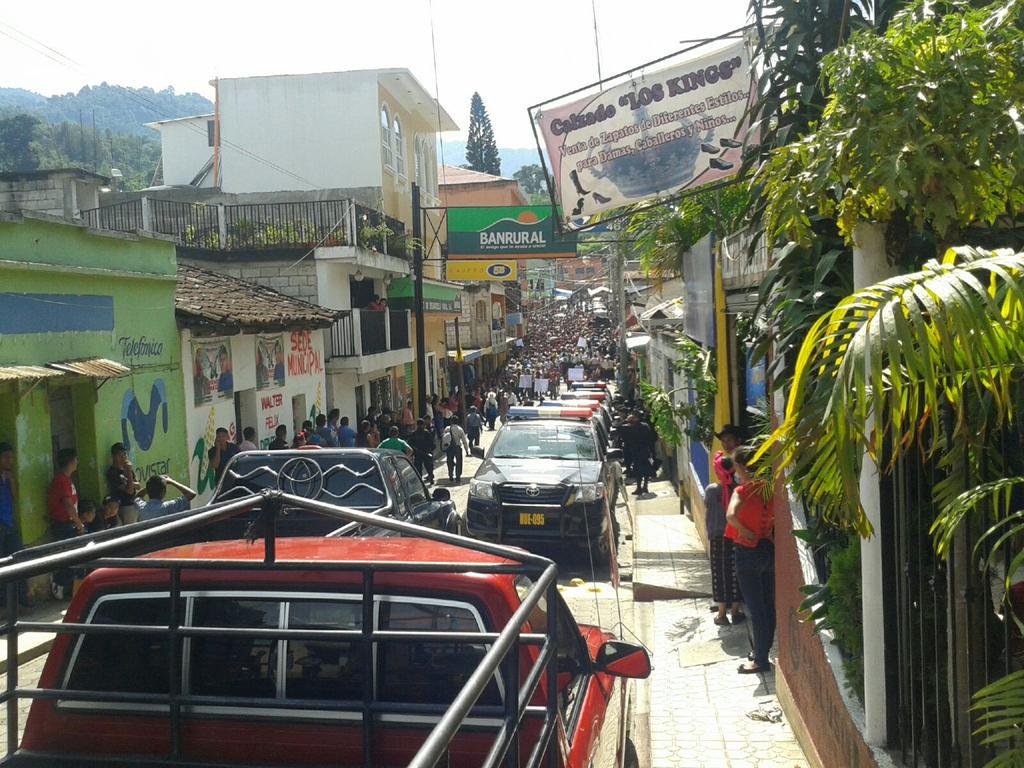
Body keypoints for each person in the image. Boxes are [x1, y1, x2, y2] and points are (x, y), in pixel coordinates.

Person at [726, 446, 775, 675]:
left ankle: (760, 659)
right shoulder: (768, 489)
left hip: (747, 552)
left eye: (736, 466)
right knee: (767, 605)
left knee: (755, 608)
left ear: (743, 467)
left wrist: (744, 531)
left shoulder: (742, 491)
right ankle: (761, 651)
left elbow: (730, 515)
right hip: (767, 549)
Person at [704, 481, 745, 626]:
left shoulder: (711, 490)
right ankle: (735, 612)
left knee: (719, 573)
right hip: (735, 535)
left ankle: (722, 614)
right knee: (735, 571)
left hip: (716, 535)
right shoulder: (738, 489)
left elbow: (707, 506)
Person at [0, 442, 32, 607]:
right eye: (6, 457)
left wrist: (10, 479)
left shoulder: (8, 476)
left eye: (11, 458)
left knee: (18, 557)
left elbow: (14, 496)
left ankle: (22, 596)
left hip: (8, 523)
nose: (9, 461)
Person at [48, 448, 82, 599]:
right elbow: (67, 504)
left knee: (76, 558)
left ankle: (69, 588)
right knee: (69, 558)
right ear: (71, 461)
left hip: (69, 524)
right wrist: (79, 523)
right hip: (64, 524)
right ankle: (58, 581)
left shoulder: (67, 479)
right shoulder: (61, 480)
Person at [106, 443, 141, 524]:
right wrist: (128, 472)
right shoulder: (112, 473)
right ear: (114, 456)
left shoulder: (127, 468)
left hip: (135, 504)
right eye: (120, 455)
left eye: (125, 454)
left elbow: (138, 486)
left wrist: (129, 482)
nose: (123, 457)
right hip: (125, 506)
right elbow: (129, 491)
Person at [442, 416, 470, 483]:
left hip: (449, 448)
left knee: (449, 461)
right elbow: (464, 441)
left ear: (451, 421)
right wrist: (467, 451)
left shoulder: (447, 428)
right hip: (457, 447)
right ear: (457, 422)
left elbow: (444, 438)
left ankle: (450, 475)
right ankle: (458, 476)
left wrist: (443, 447)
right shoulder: (460, 429)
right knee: (459, 462)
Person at [409, 419, 436, 485]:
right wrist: (432, 449)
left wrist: (414, 450)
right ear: (423, 425)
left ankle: (420, 482)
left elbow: (410, 443)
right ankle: (431, 479)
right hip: (426, 452)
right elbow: (431, 442)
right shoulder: (426, 432)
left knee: (418, 468)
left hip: (418, 453)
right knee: (429, 467)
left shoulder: (414, 433)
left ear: (417, 425)